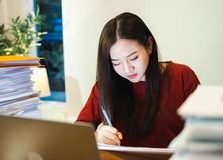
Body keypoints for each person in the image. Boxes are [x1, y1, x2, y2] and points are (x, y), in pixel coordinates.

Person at [76, 12, 200, 148]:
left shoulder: (182, 76)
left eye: (133, 58)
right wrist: (96, 137)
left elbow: (204, 131)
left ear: (149, 45)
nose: (128, 69)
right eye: (116, 63)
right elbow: (78, 130)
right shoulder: (107, 84)